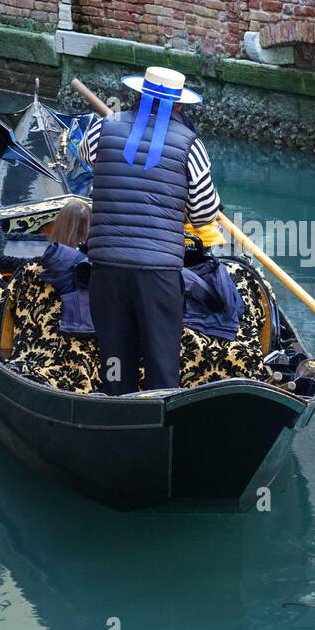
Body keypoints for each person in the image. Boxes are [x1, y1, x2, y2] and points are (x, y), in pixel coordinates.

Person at [77, 66, 221, 394]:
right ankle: (161, 420)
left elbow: (87, 158)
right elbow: (203, 216)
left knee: (114, 359)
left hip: (107, 269)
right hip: (159, 276)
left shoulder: (104, 128)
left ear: (138, 95)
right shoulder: (191, 146)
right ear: (180, 107)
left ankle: (115, 411)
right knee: (162, 362)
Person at [3, 199, 101, 392]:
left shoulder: (29, 270)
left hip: (29, 368)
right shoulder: (98, 274)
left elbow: (6, 323)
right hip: (85, 376)